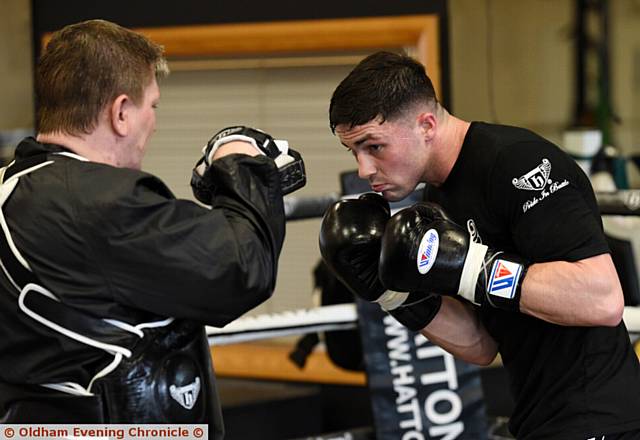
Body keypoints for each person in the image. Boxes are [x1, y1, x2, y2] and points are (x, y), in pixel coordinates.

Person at [0, 19, 304, 434]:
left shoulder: (15, 187)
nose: (154, 123)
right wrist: (241, 162)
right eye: (152, 106)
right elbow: (241, 267)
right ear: (121, 112)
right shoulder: (98, 202)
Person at [319, 51, 640, 439]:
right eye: (354, 151)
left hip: (601, 419)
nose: (364, 169)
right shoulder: (438, 201)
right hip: (537, 418)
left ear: (425, 125)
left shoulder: (516, 163)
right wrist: (391, 294)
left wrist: (473, 266)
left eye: (374, 147)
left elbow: (601, 299)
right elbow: (481, 344)